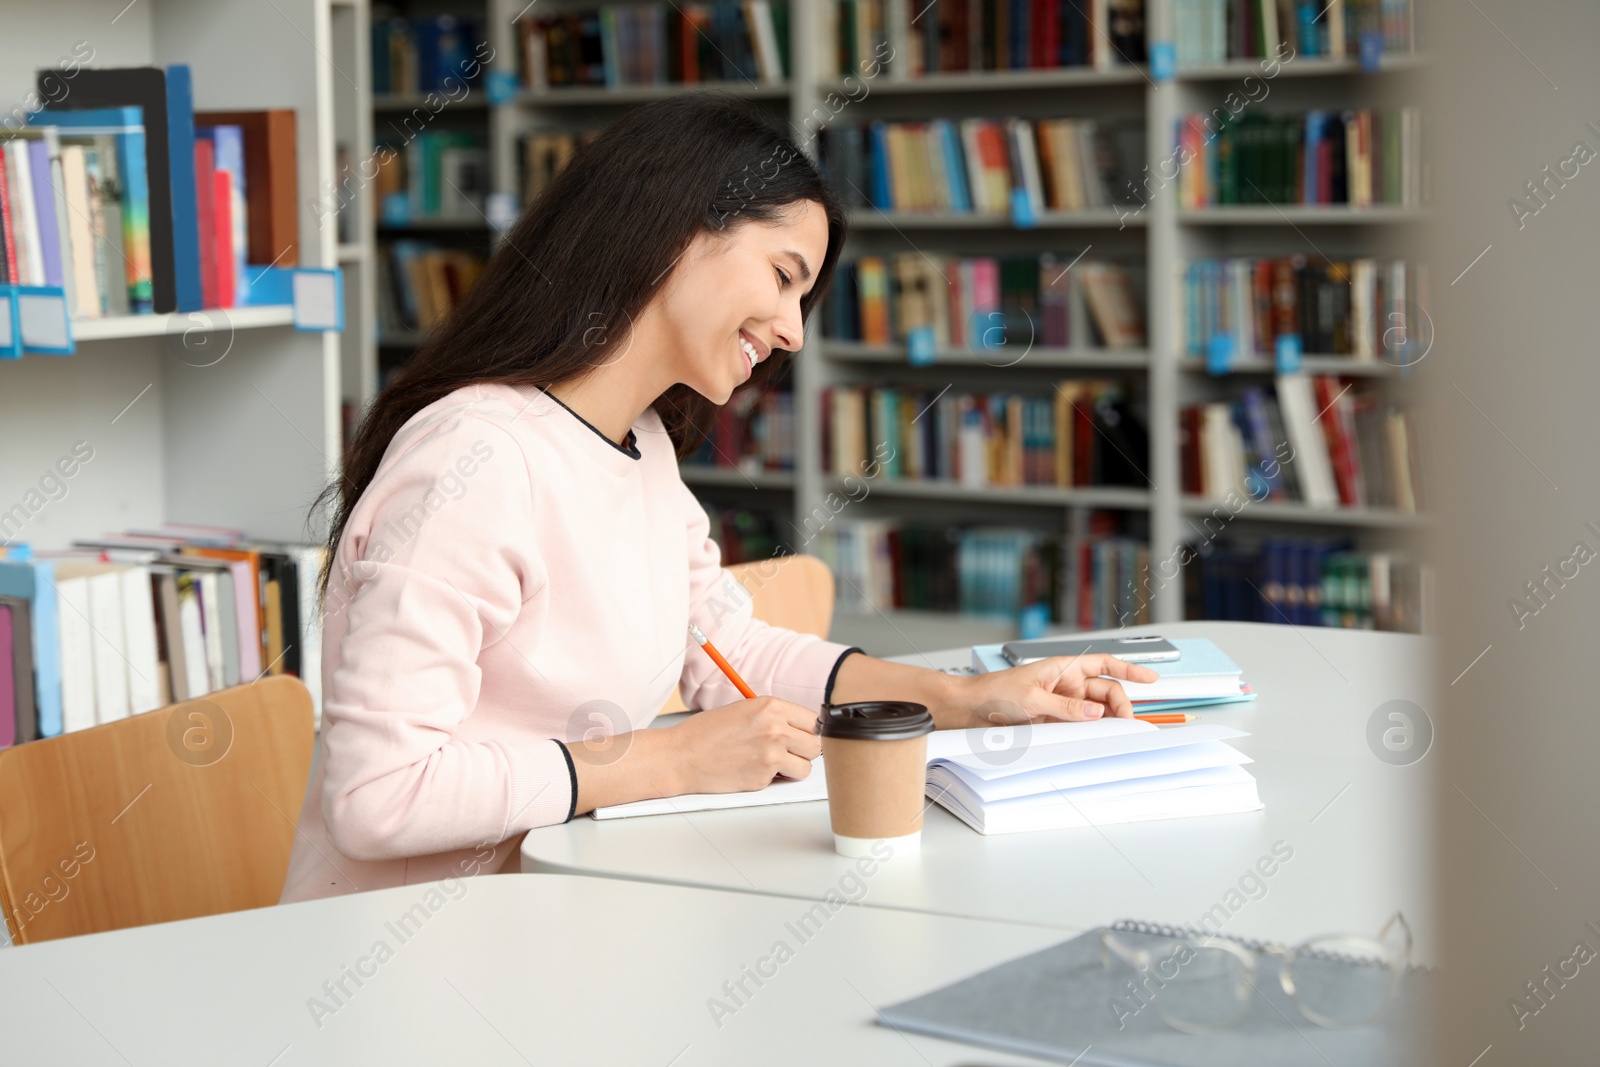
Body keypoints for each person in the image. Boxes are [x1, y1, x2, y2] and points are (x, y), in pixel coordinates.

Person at [279, 94, 1156, 904]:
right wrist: (669, 758)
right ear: (674, 232)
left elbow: (729, 649)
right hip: (411, 954)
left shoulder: (642, 446)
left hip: (558, 915)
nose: (792, 331)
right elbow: (377, 794)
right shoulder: (474, 459)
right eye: (782, 275)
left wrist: (971, 697)